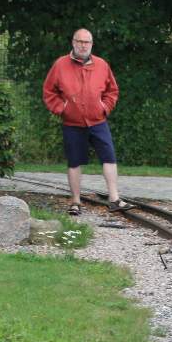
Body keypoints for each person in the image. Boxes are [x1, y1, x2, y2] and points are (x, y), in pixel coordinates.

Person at [42, 28, 131, 215]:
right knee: (74, 162)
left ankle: (114, 198)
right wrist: (62, 109)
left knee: (109, 157)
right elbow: (49, 92)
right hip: (72, 123)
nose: (83, 45)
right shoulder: (60, 65)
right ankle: (75, 201)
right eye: (80, 41)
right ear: (73, 43)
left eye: (87, 42)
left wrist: (104, 107)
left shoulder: (101, 65)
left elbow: (112, 91)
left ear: (92, 44)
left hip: (98, 121)